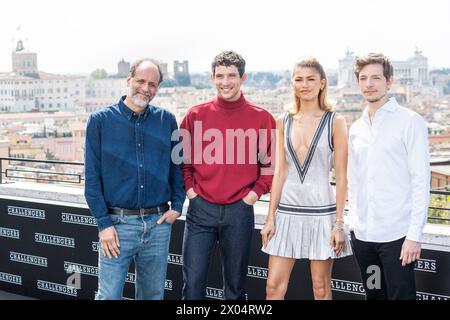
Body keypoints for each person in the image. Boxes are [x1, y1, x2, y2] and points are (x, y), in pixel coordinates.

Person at [84, 59, 185, 300]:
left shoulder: (167, 120)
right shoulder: (99, 121)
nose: (145, 88)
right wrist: (104, 225)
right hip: (117, 226)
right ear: (128, 80)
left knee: (152, 295)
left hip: (158, 225)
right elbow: (91, 179)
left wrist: (178, 206)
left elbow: (177, 167)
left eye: (152, 84)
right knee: (109, 297)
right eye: (140, 81)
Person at [180, 50, 276, 300]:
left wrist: (253, 196)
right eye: (220, 75)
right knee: (192, 288)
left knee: (235, 289)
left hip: (239, 211)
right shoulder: (194, 115)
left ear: (243, 77)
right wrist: (191, 191)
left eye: (231, 75)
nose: (225, 82)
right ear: (212, 78)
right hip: (200, 210)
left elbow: (271, 166)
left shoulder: (262, 117)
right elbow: (180, 161)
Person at [260, 57, 352, 300]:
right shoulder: (282, 121)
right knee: (273, 287)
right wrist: (270, 217)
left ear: (322, 83)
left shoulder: (336, 121)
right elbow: (279, 172)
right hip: (287, 212)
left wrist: (339, 224)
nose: (305, 84)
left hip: (322, 213)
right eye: (299, 79)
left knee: (321, 288)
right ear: (292, 83)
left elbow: (342, 178)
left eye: (311, 79)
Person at [348, 53, 430, 300]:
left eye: (375, 77)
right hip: (364, 237)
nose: (369, 83)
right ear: (358, 82)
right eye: (363, 78)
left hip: (397, 237)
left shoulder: (410, 121)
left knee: (401, 297)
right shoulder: (356, 128)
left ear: (389, 81)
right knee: (374, 296)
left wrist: (414, 236)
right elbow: (355, 180)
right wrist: (352, 223)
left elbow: (420, 181)